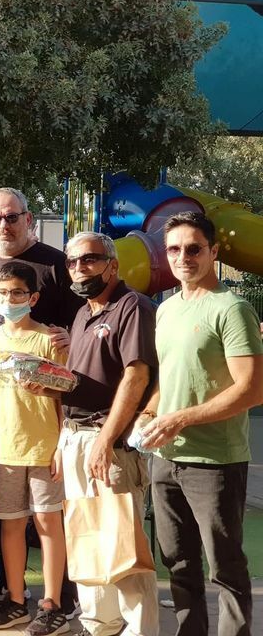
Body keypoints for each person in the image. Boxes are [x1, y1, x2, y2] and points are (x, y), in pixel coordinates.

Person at [137, 211, 263, 636]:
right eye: (174, 249)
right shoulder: (167, 310)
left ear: (214, 252)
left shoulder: (232, 308)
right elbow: (169, 379)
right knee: (178, 564)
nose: (183, 257)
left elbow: (252, 389)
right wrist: (150, 413)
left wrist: (181, 418)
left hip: (216, 461)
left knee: (225, 567)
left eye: (194, 248)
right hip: (165, 458)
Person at [0, 187, 81, 614]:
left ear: (28, 219)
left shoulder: (55, 264)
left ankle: (60, 594)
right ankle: (10, 587)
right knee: (8, 518)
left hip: (45, 420)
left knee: (49, 519)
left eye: (11, 217)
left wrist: (72, 339)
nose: (3, 225)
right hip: (2, 419)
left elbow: (84, 319)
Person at [60, 231, 159, 636]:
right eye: (72, 262)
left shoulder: (132, 306)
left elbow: (136, 376)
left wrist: (104, 441)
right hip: (75, 436)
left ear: (113, 265)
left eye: (89, 259)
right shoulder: (83, 312)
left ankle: (139, 629)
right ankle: (98, 625)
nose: (79, 268)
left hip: (110, 442)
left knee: (123, 547)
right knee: (86, 540)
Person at [0, 261, 69, 635]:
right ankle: (15, 600)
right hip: (4, 451)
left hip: (45, 448)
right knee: (9, 526)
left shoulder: (49, 340)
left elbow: (63, 396)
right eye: (3, 293)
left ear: (33, 298)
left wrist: (61, 446)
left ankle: (52, 604)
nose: (9, 300)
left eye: (17, 293)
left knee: (48, 524)